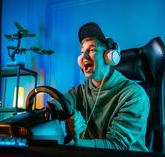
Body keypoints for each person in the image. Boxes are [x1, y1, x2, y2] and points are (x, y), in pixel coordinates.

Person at [53, 22, 150, 152]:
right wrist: (69, 117)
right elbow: (55, 105)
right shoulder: (80, 91)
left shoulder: (134, 95)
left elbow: (115, 146)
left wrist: (74, 144)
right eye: (82, 52)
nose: (84, 56)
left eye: (92, 50)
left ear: (109, 57)